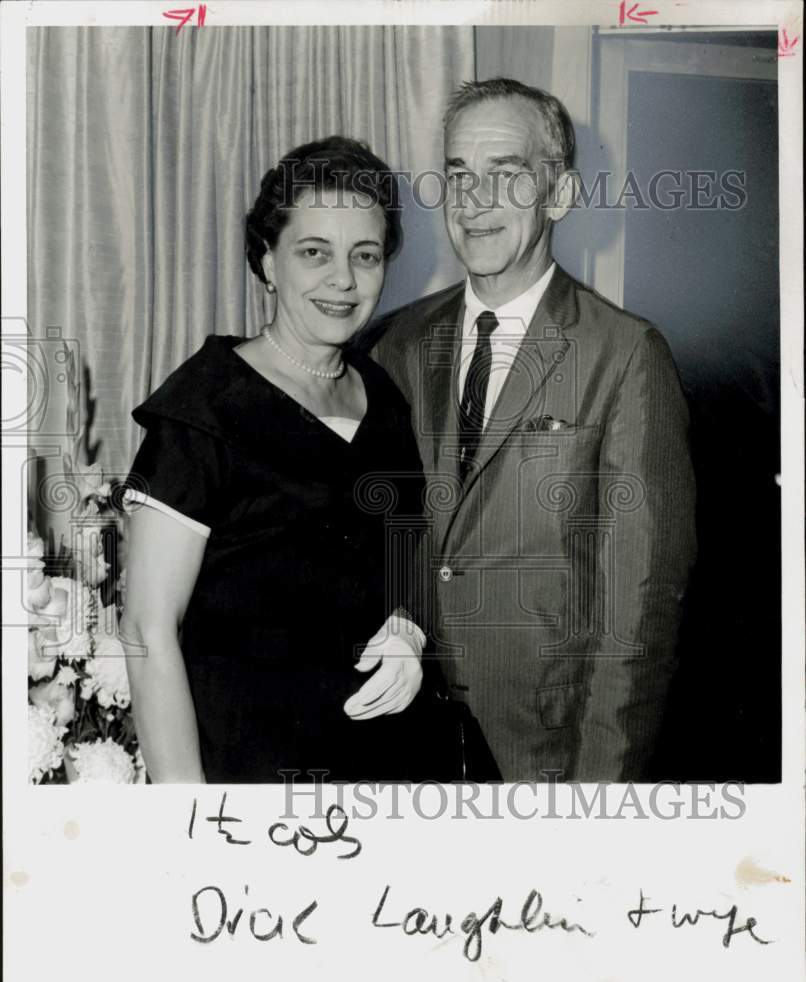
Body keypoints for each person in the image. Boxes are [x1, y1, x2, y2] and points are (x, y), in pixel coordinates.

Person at [366, 78, 697, 782]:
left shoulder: (626, 354)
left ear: (560, 195)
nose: (474, 202)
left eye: (505, 176)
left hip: (543, 760)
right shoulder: (392, 343)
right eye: (458, 176)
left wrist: (595, 803)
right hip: (400, 746)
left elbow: (637, 617)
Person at [120, 136, 434, 784]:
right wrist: (195, 820)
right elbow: (148, 632)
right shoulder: (205, 406)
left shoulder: (384, 400)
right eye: (314, 253)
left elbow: (402, 548)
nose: (343, 280)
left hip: (382, 764)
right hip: (245, 772)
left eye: (365, 256)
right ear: (267, 260)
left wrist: (408, 625)